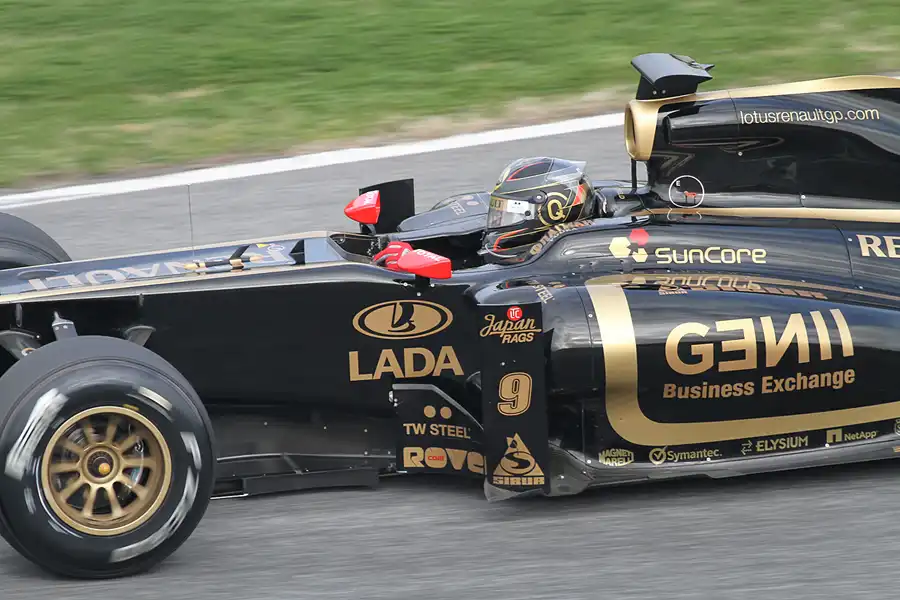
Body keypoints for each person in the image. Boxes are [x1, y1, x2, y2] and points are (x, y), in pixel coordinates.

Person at [374, 156, 599, 269]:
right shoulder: (512, 247)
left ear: (551, 212)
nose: (499, 220)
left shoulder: (546, 260)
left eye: (511, 212)